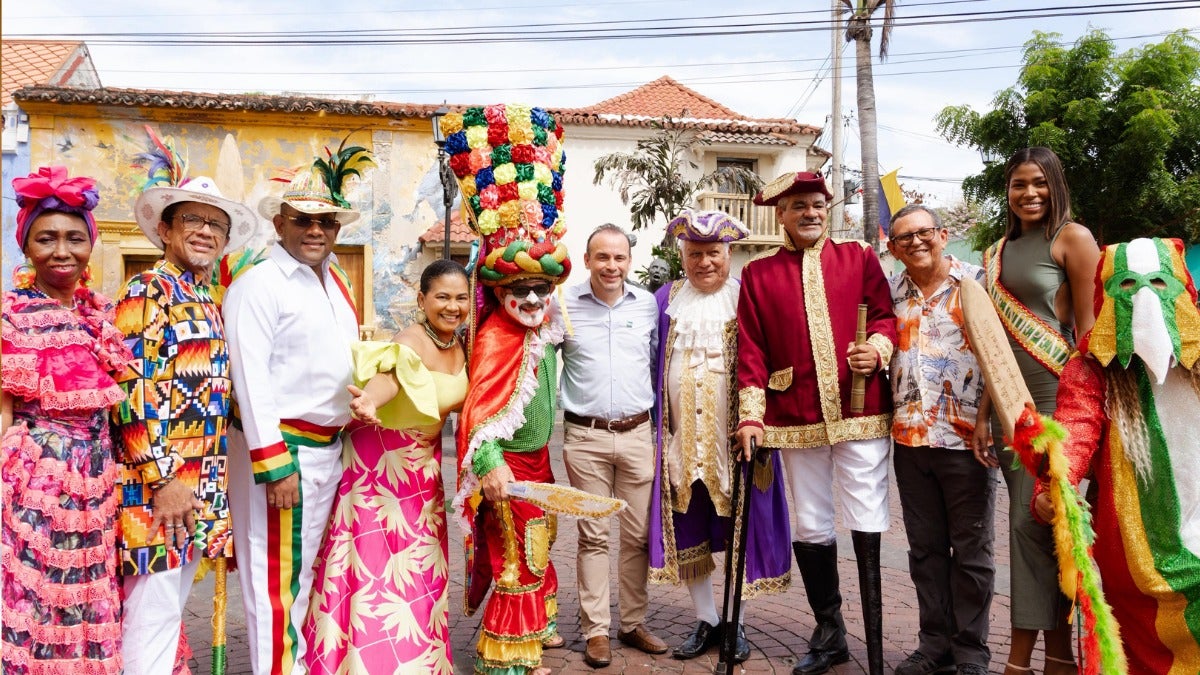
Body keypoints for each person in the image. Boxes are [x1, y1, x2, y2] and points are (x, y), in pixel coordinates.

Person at [734, 171, 896, 675]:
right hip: (793, 411)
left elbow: (887, 316)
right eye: (799, 205)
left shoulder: (859, 257)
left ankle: (873, 639)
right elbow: (752, 350)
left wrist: (878, 347)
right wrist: (751, 416)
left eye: (818, 204)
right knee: (811, 521)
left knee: (867, 517)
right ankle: (830, 633)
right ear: (780, 214)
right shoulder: (759, 274)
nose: (810, 213)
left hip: (860, 409)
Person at [224, 142, 372, 675]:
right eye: (303, 221)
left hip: (328, 451)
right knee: (275, 586)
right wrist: (274, 462)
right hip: (284, 453)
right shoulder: (258, 285)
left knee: (305, 577)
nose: (316, 231)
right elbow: (250, 380)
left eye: (326, 222)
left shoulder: (335, 282)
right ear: (280, 224)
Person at [112, 138, 257, 674]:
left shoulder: (206, 299)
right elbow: (131, 393)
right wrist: (164, 479)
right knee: (149, 614)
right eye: (191, 220)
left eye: (214, 225)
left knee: (168, 610)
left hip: (200, 485)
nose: (203, 231)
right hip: (158, 490)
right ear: (167, 231)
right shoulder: (147, 289)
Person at [439, 103, 570, 675]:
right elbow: (481, 412)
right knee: (515, 556)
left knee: (537, 548)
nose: (536, 300)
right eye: (523, 288)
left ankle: (534, 632)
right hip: (509, 467)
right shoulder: (497, 335)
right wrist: (490, 464)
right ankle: (508, 658)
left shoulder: (540, 328)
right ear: (500, 289)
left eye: (544, 289)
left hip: (540, 462)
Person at [1029, 237, 1200, 674]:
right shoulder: (1091, 369)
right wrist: (1054, 485)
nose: (1144, 297)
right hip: (1138, 556)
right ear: (1109, 298)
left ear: (1182, 288)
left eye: (1159, 281)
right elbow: (1074, 431)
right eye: (1127, 284)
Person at [304, 259, 469, 674]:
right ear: (422, 299)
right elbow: (390, 376)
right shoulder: (411, 341)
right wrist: (368, 401)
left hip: (423, 470)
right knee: (377, 570)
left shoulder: (459, 343)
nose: (453, 306)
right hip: (382, 467)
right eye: (442, 297)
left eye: (461, 298)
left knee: (421, 567)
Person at [1, 167, 130, 674]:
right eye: (47, 238)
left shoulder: (103, 315)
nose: (62, 250)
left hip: (98, 480)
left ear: (90, 246)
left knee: (86, 602)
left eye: (76, 238)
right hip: (36, 481)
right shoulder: (11, 316)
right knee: (34, 597)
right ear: (26, 246)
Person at [647, 209, 792, 664]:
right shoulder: (664, 300)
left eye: (713, 253)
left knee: (737, 534)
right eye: (694, 254)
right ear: (682, 256)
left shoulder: (748, 298)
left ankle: (736, 623)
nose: (704, 262)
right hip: (680, 441)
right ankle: (707, 619)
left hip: (738, 443)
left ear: (729, 253)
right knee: (689, 529)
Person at [980, 147, 1099, 675]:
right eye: (1018, 185)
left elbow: (1092, 331)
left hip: (1057, 402)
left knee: (1040, 520)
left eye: (1039, 183)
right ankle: (1058, 659)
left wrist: (1089, 412)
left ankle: (1018, 661)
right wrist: (986, 411)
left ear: (1055, 184)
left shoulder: (1072, 238)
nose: (1029, 193)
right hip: (1011, 406)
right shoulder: (997, 250)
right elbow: (993, 341)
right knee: (1038, 529)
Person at [886, 205, 995, 675]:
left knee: (972, 552)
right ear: (892, 248)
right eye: (903, 238)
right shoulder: (891, 291)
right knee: (926, 551)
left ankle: (971, 652)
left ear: (943, 235)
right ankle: (934, 645)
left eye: (923, 233)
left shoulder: (978, 284)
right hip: (910, 439)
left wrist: (990, 417)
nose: (914, 242)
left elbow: (1001, 355)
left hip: (967, 438)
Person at [560, 223, 667, 668]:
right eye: (602, 257)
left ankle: (633, 622)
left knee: (638, 537)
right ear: (587, 261)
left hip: (639, 434)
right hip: (585, 437)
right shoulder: (561, 307)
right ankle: (596, 630)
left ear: (629, 261)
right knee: (593, 536)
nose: (611, 266)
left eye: (619, 257)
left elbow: (661, 361)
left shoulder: (647, 306)